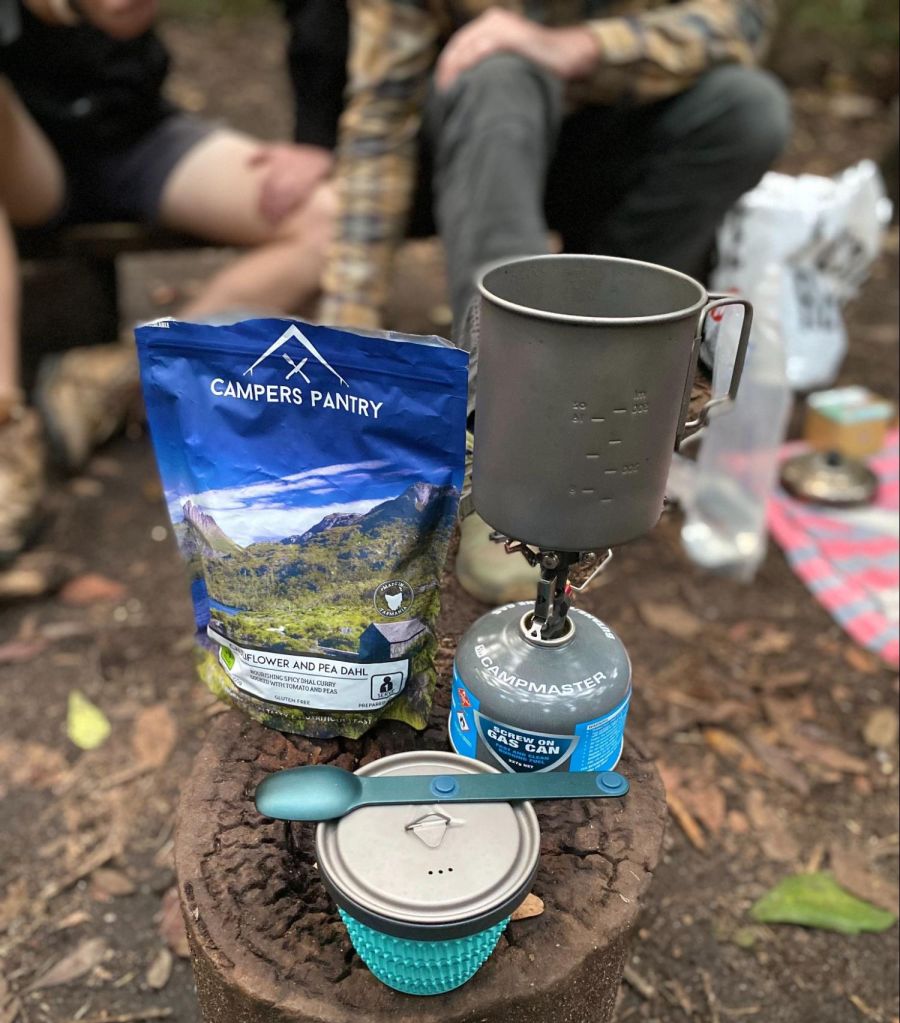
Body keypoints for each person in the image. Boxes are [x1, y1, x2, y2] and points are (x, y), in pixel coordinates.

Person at [318, 1, 792, 603]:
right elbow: (382, 115)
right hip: (481, 147)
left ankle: (619, 390)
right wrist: (346, 334)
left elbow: (740, 22)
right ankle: (505, 443)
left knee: (748, 108)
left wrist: (580, 45)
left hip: (629, 138)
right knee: (499, 69)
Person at [0, 0, 347, 569]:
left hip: (133, 130)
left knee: (329, 219)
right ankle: (7, 429)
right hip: (24, 163)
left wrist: (315, 135)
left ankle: (112, 375)